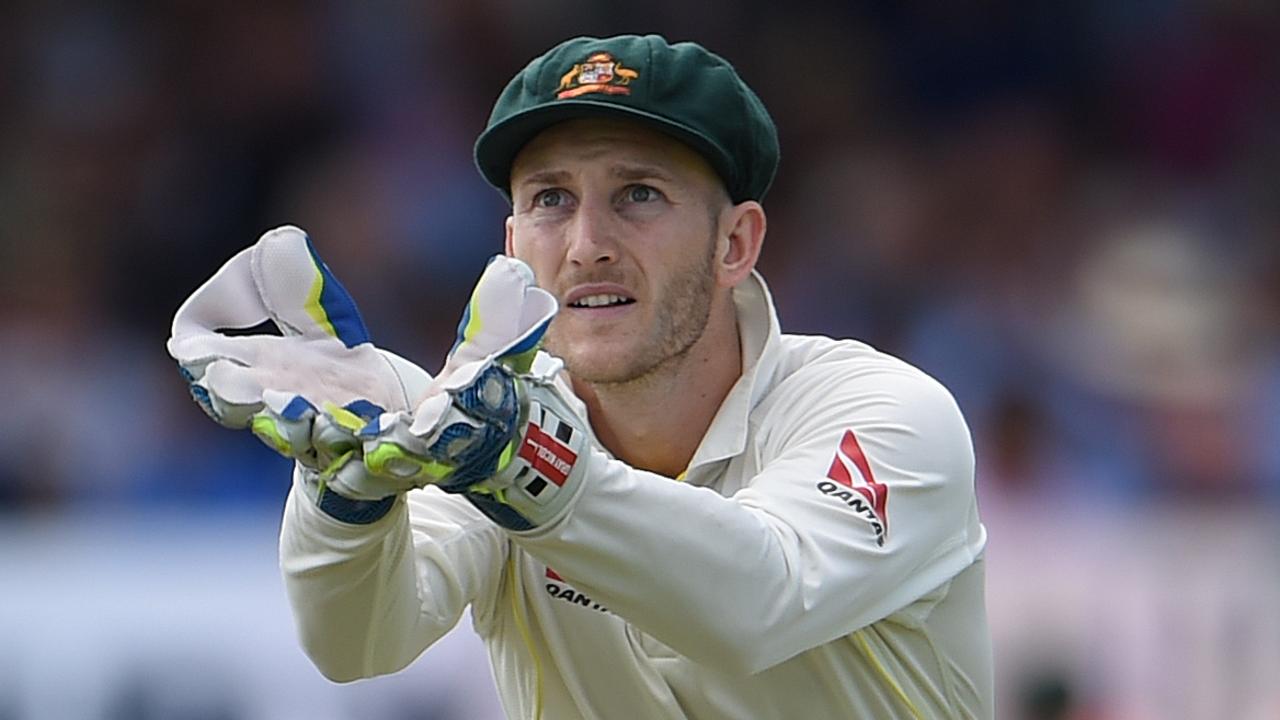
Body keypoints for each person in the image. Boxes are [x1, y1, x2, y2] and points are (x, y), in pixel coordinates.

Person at [171, 34, 992, 719]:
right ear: (511, 246)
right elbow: (358, 645)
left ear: (735, 244)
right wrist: (345, 497)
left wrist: (527, 464)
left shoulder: (886, 413)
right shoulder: (490, 429)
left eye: (639, 193)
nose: (586, 243)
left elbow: (760, 602)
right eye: (551, 200)